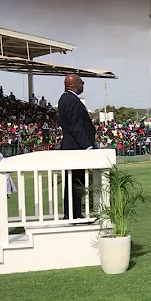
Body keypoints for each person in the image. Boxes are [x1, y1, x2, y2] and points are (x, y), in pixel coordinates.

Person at [57, 74, 96, 220]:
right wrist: (87, 146)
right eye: (82, 83)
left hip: (71, 145)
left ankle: (73, 212)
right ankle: (74, 213)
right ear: (77, 84)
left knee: (73, 181)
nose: (83, 86)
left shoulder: (65, 98)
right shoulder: (72, 100)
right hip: (75, 147)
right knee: (75, 181)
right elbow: (76, 126)